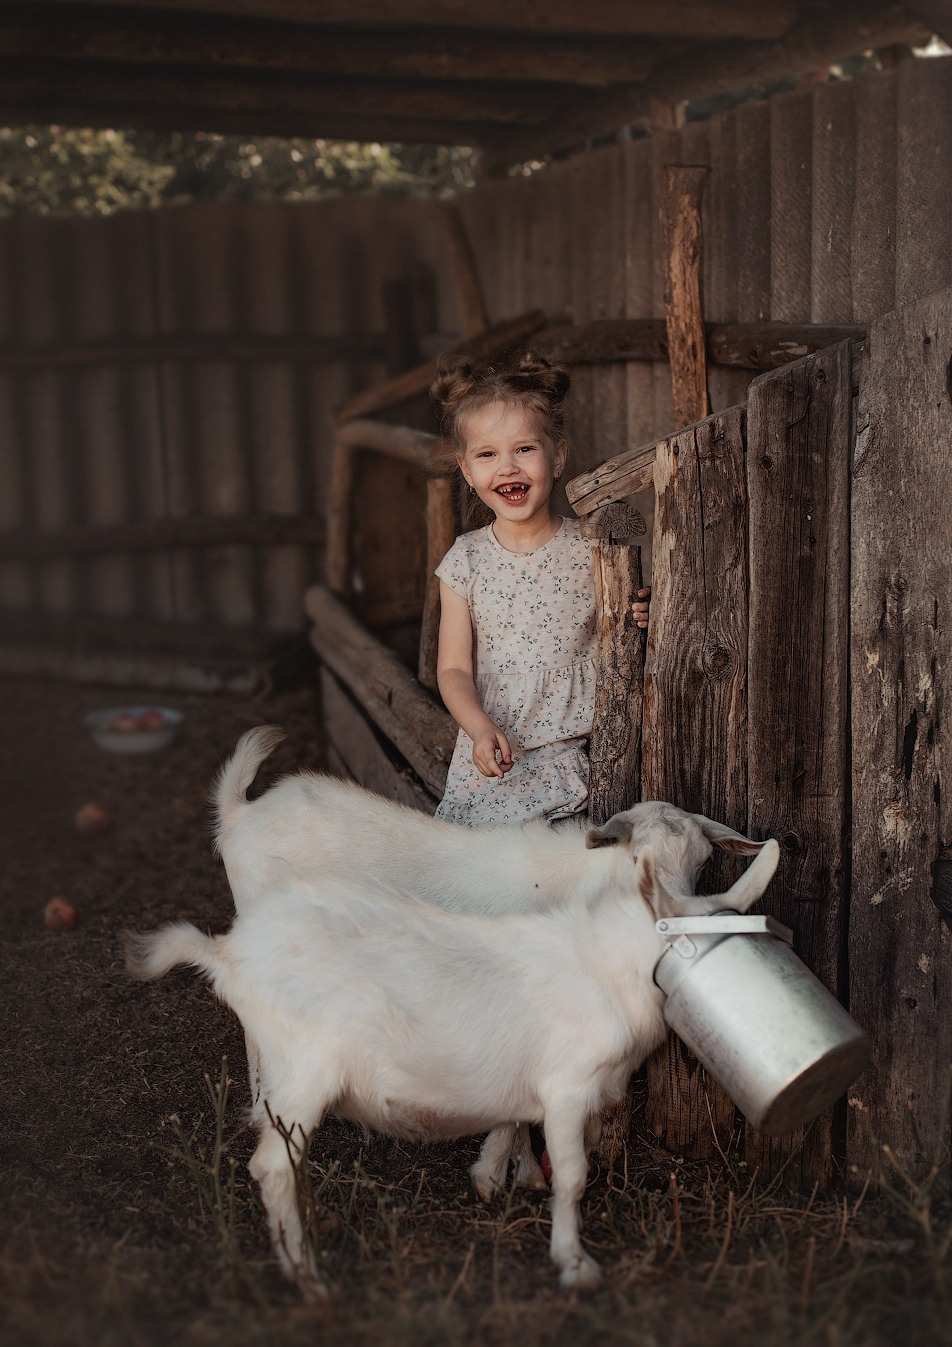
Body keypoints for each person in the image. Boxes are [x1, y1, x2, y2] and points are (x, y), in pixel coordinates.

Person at [432, 351, 649, 826]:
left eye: (524, 449)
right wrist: (478, 728)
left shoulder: (592, 548)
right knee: (489, 866)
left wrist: (642, 615)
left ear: (558, 457)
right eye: (487, 455)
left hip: (587, 747)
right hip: (501, 751)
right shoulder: (466, 561)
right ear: (467, 473)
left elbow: (624, 622)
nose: (506, 467)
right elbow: (451, 669)